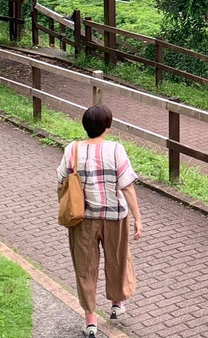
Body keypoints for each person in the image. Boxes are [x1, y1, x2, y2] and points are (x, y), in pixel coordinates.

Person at [57, 105, 144, 337]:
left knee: (85, 267)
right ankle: (116, 304)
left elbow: (61, 180)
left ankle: (91, 321)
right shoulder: (116, 150)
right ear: (107, 126)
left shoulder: (72, 150)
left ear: (86, 126)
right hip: (115, 217)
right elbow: (127, 186)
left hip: (82, 219)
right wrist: (138, 218)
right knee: (118, 258)